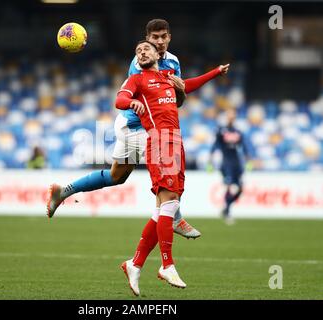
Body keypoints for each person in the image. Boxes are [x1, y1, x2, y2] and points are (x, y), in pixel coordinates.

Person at [46, 19, 225, 239]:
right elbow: (142, 94)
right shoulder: (140, 61)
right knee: (167, 175)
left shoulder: (173, 61)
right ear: (147, 39)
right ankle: (176, 218)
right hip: (137, 126)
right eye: (154, 38)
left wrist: (189, 86)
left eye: (163, 37)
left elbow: (176, 96)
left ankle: (63, 192)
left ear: (169, 37)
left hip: (140, 126)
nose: (159, 42)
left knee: (116, 176)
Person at [117, 40, 229, 295]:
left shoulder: (168, 76)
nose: (142, 52)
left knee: (167, 207)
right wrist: (131, 103)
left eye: (146, 49)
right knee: (168, 202)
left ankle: (134, 264)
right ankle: (167, 264)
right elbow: (120, 98)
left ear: (158, 53)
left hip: (176, 143)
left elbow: (188, 85)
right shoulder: (137, 79)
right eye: (137, 50)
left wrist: (214, 72)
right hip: (159, 142)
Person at [207, 109, 252, 225]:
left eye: (233, 115)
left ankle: (226, 207)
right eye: (230, 115)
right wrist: (210, 160)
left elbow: (244, 146)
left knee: (240, 188)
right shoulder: (221, 130)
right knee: (229, 186)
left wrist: (248, 159)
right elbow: (215, 145)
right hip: (226, 163)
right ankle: (227, 212)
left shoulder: (238, 131)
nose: (232, 117)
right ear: (227, 116)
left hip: (237, 162)